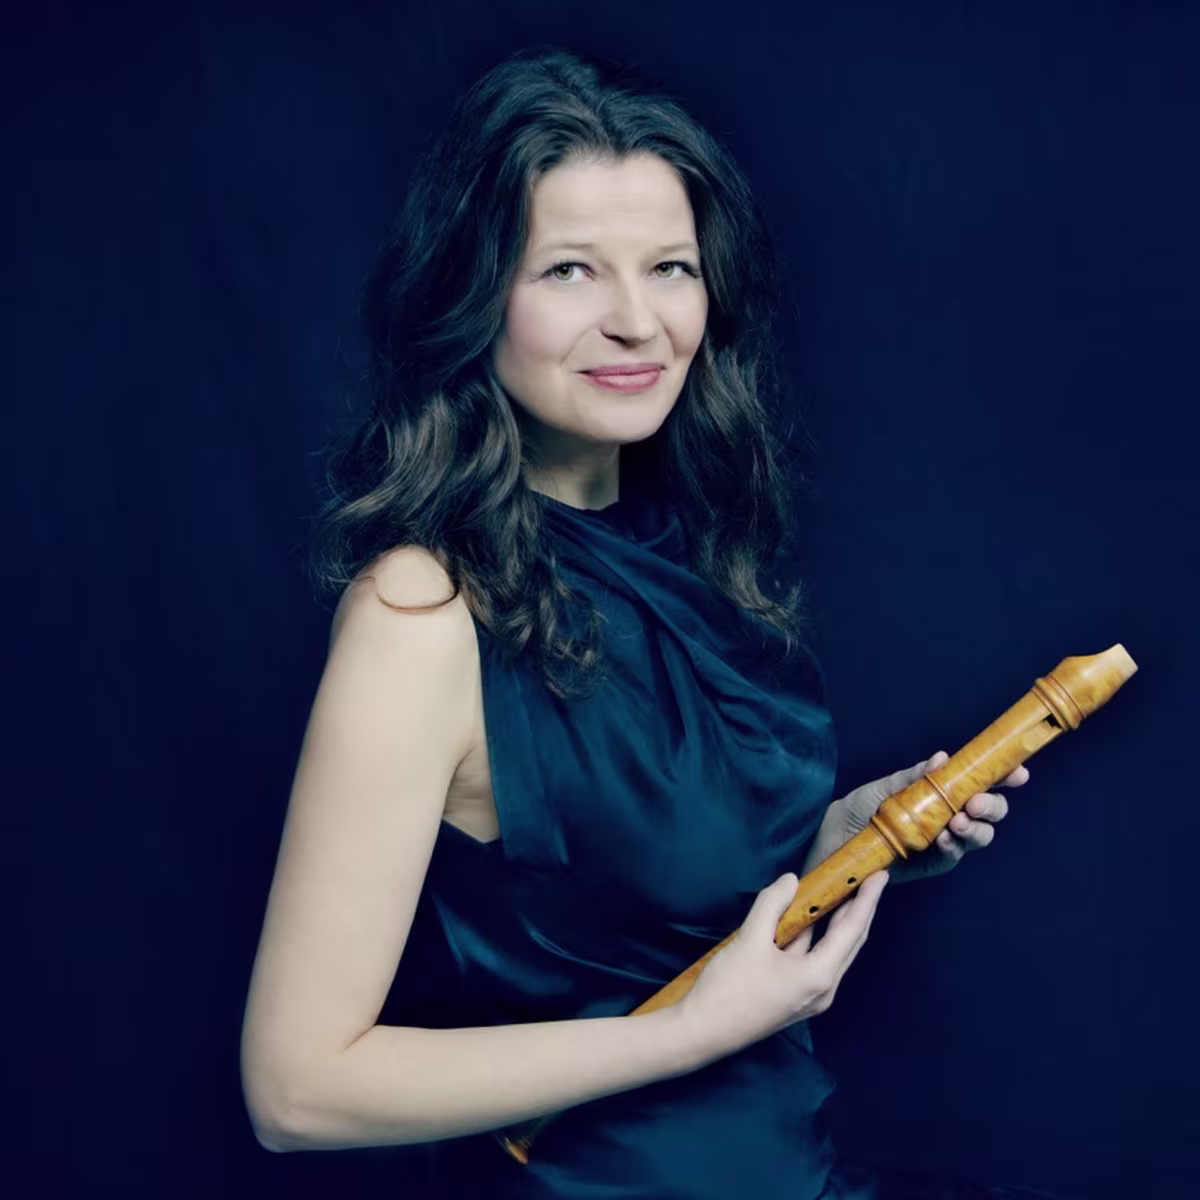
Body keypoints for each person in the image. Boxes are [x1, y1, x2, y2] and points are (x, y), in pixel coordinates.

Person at [239, 44, 1027, 1198]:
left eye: (670, 267)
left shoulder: (696, 554)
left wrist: (855, 840)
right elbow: (295, 1091)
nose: (636, 321)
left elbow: (646, 917)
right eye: (567, 271)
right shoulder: (419, 611)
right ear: (474, 296)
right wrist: (687, 1034)